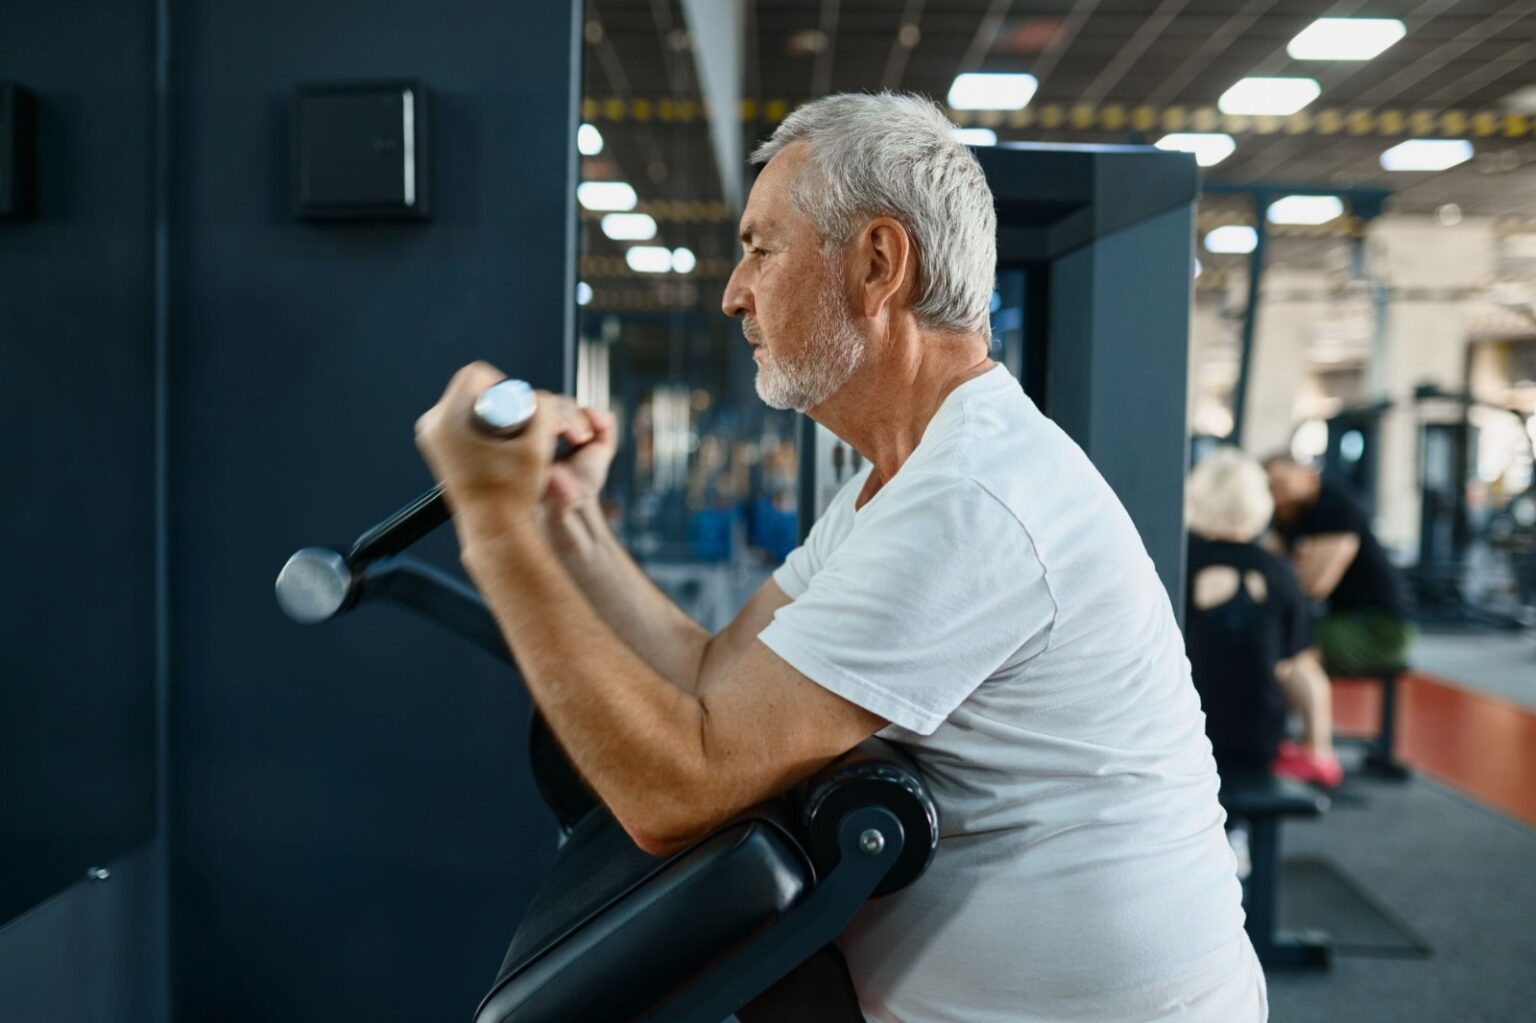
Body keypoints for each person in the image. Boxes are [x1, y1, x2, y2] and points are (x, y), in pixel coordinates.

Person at [415, 93, 1264, 1022]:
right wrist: (562, 519)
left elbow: (676, 786)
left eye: (761, 249)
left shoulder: (974, 497)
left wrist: (493, 525)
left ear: (877, 262)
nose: (735, 290)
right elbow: (710, 673)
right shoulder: (901, 482)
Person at [1185, 448, 1342, 788]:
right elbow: (1292, 661)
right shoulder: (1278, 571)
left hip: (1185, 734)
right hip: (1256, 740)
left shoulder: (1179, 564)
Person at [1265, 455, 1413, 676]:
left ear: (1308, 476)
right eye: (1270, 488)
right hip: (1340, 620)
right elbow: (1269, 568)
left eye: (1281, 484)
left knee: (1284, 638)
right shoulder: (1286, 514)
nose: (1276, 493)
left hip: (1381, 629)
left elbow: (1314, 585)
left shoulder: (1336, 507)